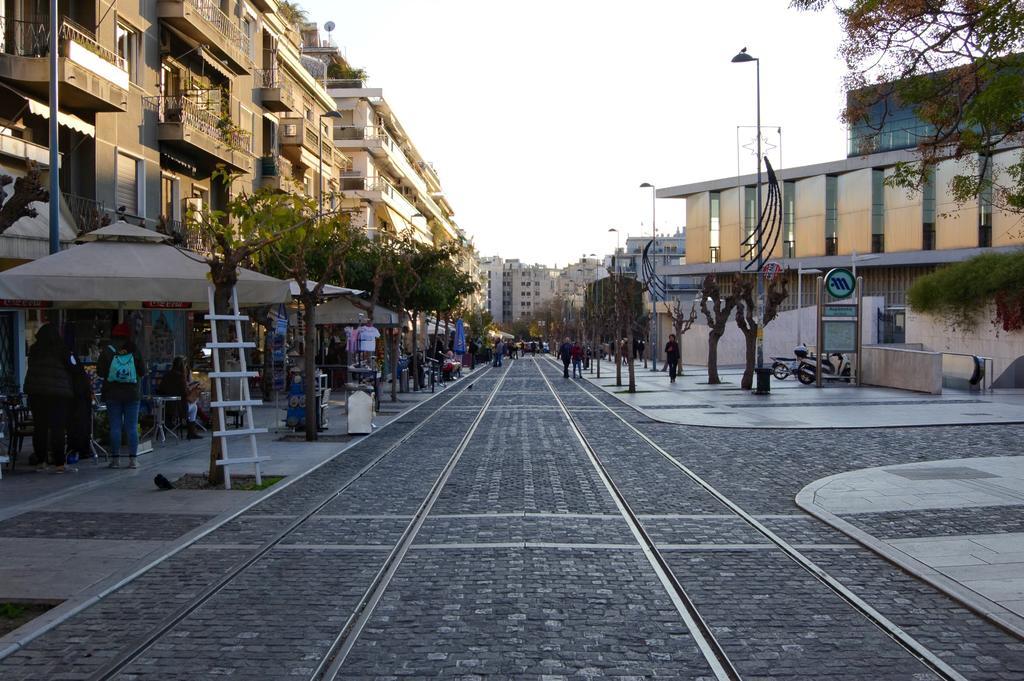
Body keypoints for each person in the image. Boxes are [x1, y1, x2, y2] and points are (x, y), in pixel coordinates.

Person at [24, 323, 75, 473]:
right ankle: (59, 463)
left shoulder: (34, 350)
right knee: (57, 428)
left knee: (40, 427)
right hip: (58, 395)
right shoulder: (62, 350)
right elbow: (72, 368)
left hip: (37, 393)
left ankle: (41, 461)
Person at [98, 323, 146, 469]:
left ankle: (115, 460)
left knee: (115, 427)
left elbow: (100, 372)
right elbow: (143, 371)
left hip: (113, 393)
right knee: (131, 427)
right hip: (132, 394)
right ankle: (133, 460)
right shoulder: (134, 349)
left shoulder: (108, 350)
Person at [157, 356, 203, 439]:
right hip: (179, 407)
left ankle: (191, 431)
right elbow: (184, 393)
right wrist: (191, 388)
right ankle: (191, 432)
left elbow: (160, 389)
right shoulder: (181, 377)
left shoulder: (167, 375)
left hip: (166, 406)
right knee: (194, 406)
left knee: (193, 405)